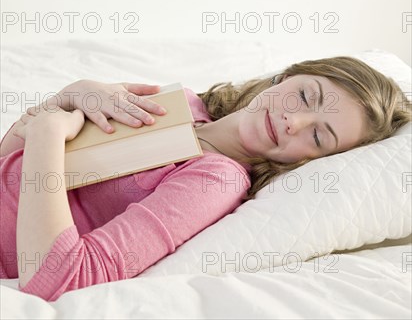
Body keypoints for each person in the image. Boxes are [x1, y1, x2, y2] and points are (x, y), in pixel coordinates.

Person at [0, 56, 410, 301]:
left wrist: (48, 135)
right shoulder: (183, 105)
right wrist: (66, 99)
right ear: (287, 76)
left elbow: (61, 278)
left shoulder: (215, 180)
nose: (294, 121)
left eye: (318, 136)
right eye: (305, 96)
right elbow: (11, 165)